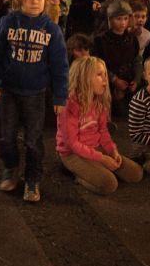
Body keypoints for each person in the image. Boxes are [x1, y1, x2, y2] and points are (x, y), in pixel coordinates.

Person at [0, 0, 69, 202]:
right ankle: (10, 167)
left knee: (33, 139)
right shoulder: (7, 23)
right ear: (18, 0)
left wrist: (60, 96)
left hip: (36, 92)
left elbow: (60, 66)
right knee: (6, 136)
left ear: (46, 0)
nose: (34, 1)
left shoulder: (51, 30)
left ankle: (33, 178)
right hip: (9, 90)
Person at [57, 57, 143, 194]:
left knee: (136, 174)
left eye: (105, 75)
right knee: (109, 184)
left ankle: (94, 169)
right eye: (99, 75)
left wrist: (112, 151)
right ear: (84, 78)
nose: (105, 80)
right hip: (73, 154)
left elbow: (103, 131)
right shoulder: (69, 104)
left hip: (95, 147)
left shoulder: (99, 101)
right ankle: (77, 175)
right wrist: (102, 159)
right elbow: (72, 143)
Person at [93, 1, 138, 117]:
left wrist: (136, 79)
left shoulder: (132, 39)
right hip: (108, 82)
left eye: (125, 18)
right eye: (118, 19)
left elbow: (136, 60)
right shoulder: (101, 40)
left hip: (128, 82)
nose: (123, 22)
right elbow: (97, 64)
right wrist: (114, 79)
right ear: (110, 19)